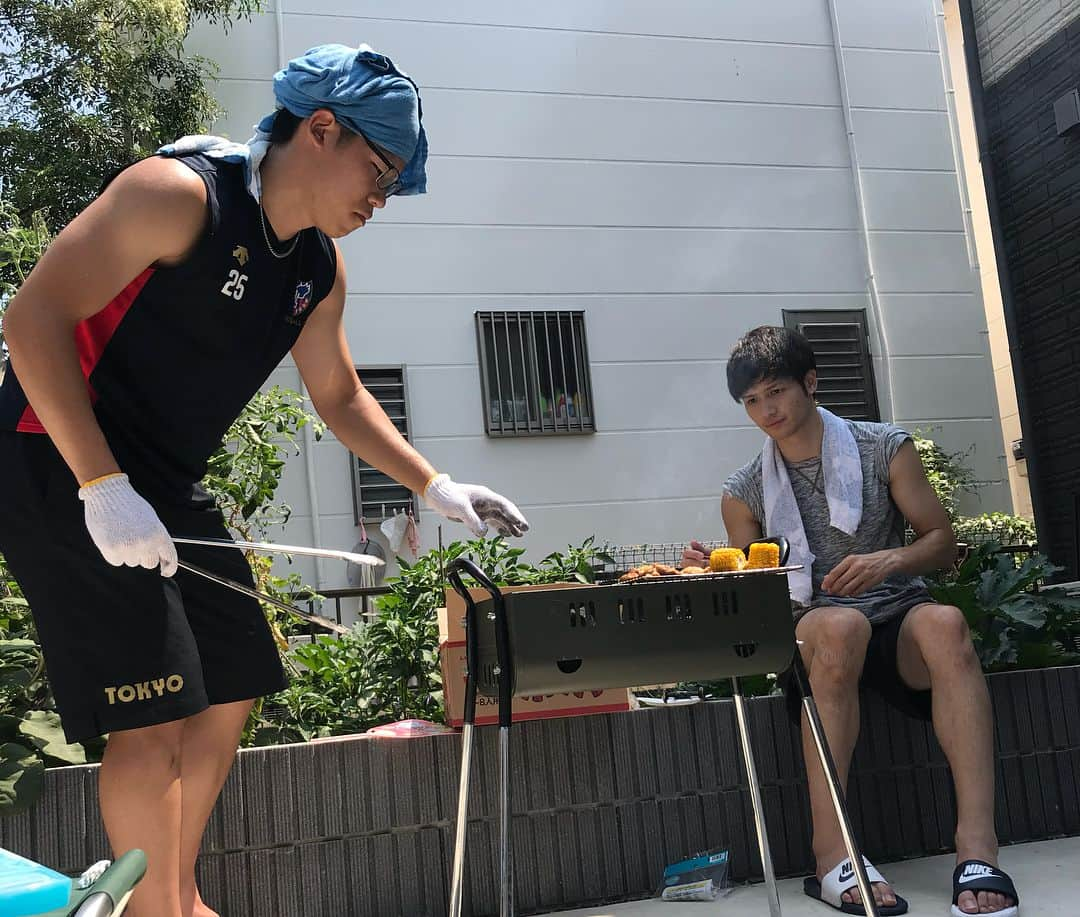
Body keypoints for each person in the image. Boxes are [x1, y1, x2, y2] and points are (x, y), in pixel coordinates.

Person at [0, 43, 528, 917]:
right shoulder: (178, 197)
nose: (381, 198)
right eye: (379, 170)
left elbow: (341, 392)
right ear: (321, 128)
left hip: (160, 479)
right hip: (50, 457)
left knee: (233, 677)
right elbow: (30, 318)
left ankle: (175, 893)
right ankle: (156, 910)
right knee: (154, 710)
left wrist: (436, 486)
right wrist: (100, 484)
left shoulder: (315, 267)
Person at [683, 326, 1018, 917]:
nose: (768, 411)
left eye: (777, 392)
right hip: (814, 627)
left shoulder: (883, 447)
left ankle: (977, 847)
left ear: (811, 382)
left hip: (897, 616)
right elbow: (760, 591)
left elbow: (942, 542)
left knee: (945, 625)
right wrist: (720, 567)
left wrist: (891, 558)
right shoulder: (744, 490)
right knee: (841, 628)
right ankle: (831, 856)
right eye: (752, 401)